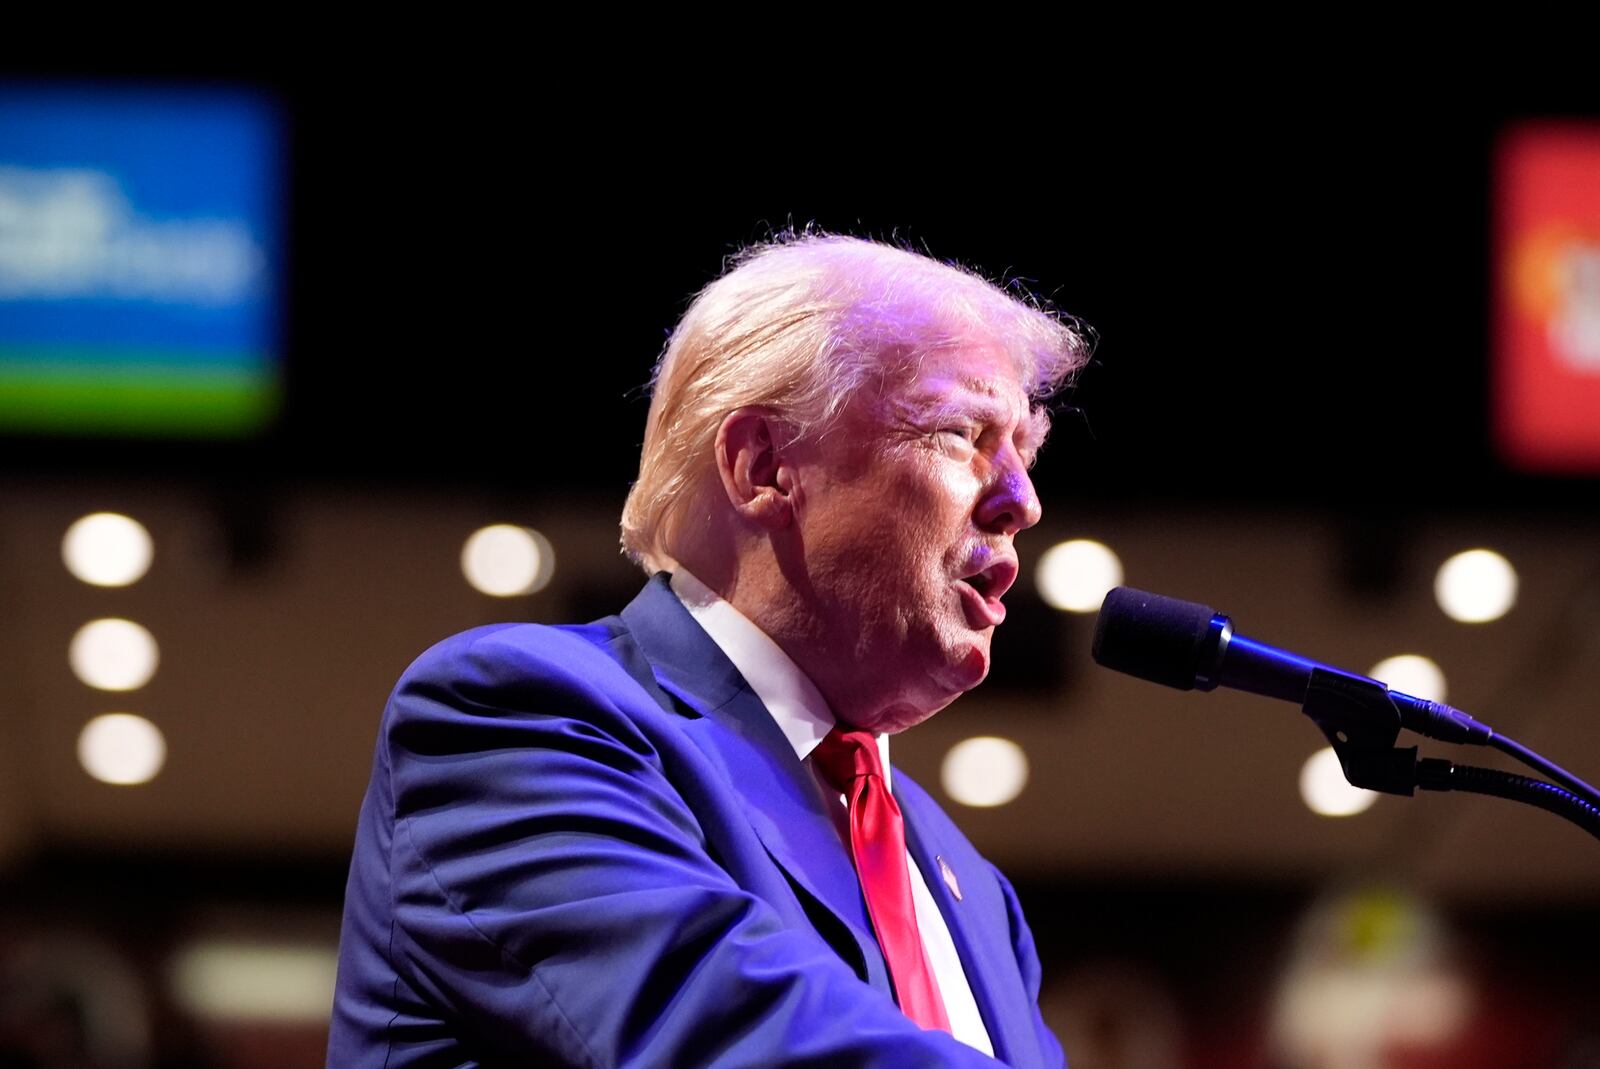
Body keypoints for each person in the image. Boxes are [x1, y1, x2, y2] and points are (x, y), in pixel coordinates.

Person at [327, 233, 1090, 1067]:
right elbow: (735, 1034)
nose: (1022, 499)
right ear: (763, 465)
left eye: (1025, 449)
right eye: (963, 433)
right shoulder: (520, 720)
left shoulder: (969, 888)